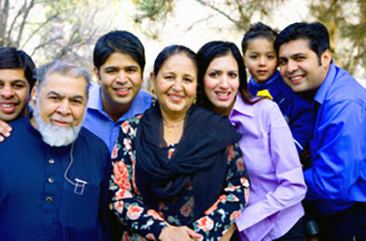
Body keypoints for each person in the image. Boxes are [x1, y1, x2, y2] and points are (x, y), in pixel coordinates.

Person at [109, 45, 249, 240]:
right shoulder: (131, 131)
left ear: (196, 85)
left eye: (187, 79)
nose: (178, 86)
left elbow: (237, 188)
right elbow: (119, 194)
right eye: (169, 77)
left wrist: (196, 235)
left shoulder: (217, 130)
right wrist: (163, 232)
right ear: (153, 79)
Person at [0, 61, 111, 240]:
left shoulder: (98, 153)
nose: (64, 110)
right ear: (35, 94)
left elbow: (102, 224)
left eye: (75, 101)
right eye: (55, 98)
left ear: (86, 103)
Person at [196, 41, 307, 241]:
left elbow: (294, 185)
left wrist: (238, 223)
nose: (224, 84)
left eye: (232, 75)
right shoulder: (197, 125)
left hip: (280, 229)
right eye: (214, 74)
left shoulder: (265, 112)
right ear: (200, 78)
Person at [275, 22, 366, 241]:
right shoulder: (311, 93)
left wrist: (276, 182)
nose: (289, 68)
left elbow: (332, 182)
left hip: (352, 218)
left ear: (324, 58)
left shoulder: (343, 104)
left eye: (299, 58)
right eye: (283, 61)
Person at [242, 22, 314, 155]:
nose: (262, 63)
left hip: (287, 154)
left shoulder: (287, 86)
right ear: (244, 61)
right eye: (254, 57)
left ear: (277, 59)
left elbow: (304, 118)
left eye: (269, 57)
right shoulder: (244, 91)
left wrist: (292, 148)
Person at [83, 30, 153, 151]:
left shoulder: (154, 111)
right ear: (97, 74)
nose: (122, 80)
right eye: (112, 71)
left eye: (130, 70)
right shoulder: (76, 106)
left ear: (141, 74)